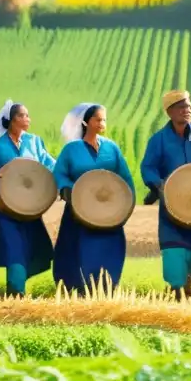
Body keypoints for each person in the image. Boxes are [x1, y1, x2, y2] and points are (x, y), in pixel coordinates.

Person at [140, 89, 191, 300]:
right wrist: (157, 185)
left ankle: (189, 278)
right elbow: (148, 167)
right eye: (181, 107)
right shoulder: (158, 140)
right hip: (172, 204)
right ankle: (176, 290)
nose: (187, 110)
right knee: (173, 248)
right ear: (169, 112)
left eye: (189, 106)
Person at [53, 103, 135, 293]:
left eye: (104, 119)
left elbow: (125, 177)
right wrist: (67, 189)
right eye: (97, 119)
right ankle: (77, 288)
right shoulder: (71, 149)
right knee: (77, 248)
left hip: (109, 212)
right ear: (86, 122)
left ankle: (107, 286)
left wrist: (127, 203)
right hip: (79, 210)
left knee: (109, 249)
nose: (102, 123)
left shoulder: (111, 148)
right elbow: (59, 174)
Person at [0, 100, 56, 297]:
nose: (27, 119)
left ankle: (18, 283)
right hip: (6, 207)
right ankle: (16, 293)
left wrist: (65, 172)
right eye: (22, 115)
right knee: (14, 248)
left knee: (34, 246)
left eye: (28, 115)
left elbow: (49, 164)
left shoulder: (35, 142)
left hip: (30, 206)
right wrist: (2, 177)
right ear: (11, 120)